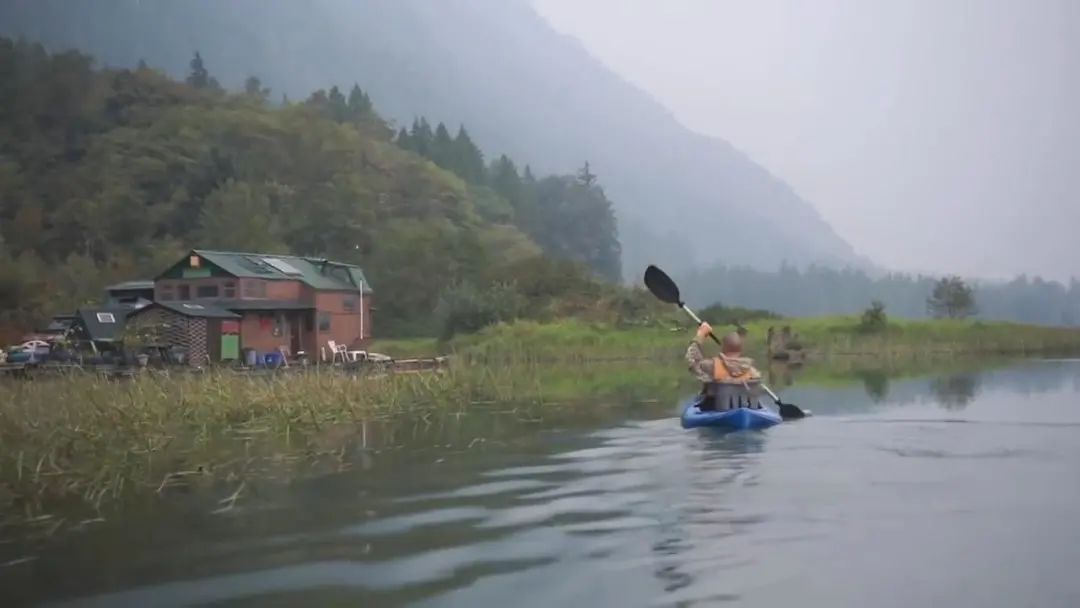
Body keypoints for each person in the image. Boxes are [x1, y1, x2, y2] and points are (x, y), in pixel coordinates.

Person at [686, 321, 763, 410]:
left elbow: (692, 360)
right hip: (747, 406)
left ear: (723, 348)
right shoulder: (751, 370)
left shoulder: (711, 366)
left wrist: (701, 334)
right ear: (740, 349)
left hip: (716, 408)